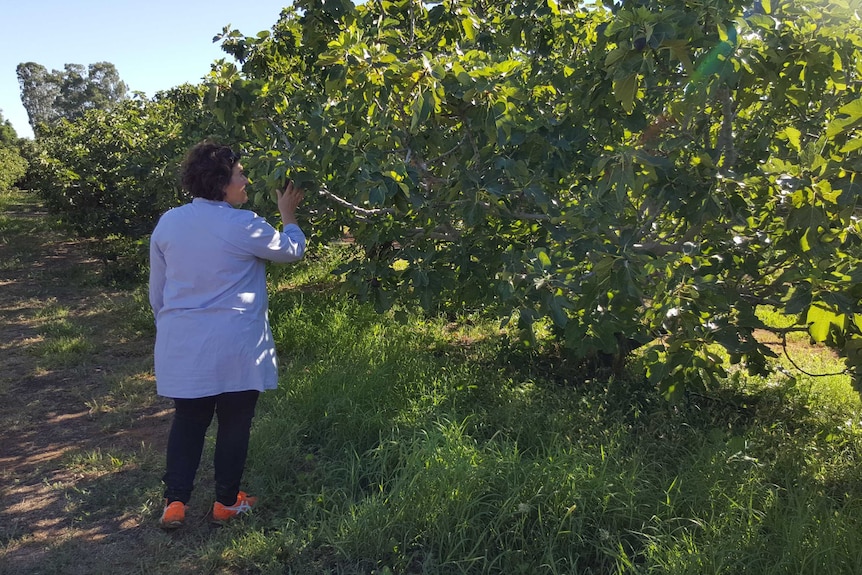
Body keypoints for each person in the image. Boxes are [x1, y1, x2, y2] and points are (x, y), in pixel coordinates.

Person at [149, 141, 306, 529]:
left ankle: (175, 503)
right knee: (234, 422)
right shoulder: (243, 223)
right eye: (239, 174)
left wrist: (172, 325)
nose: (245, 180)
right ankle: (225, 502)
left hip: (184, 342)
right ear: (221, 183)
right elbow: (291, 251)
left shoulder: (170, 221)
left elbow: (159, 290)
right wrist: (288, 216)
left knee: (188, 420)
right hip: (236, 344)